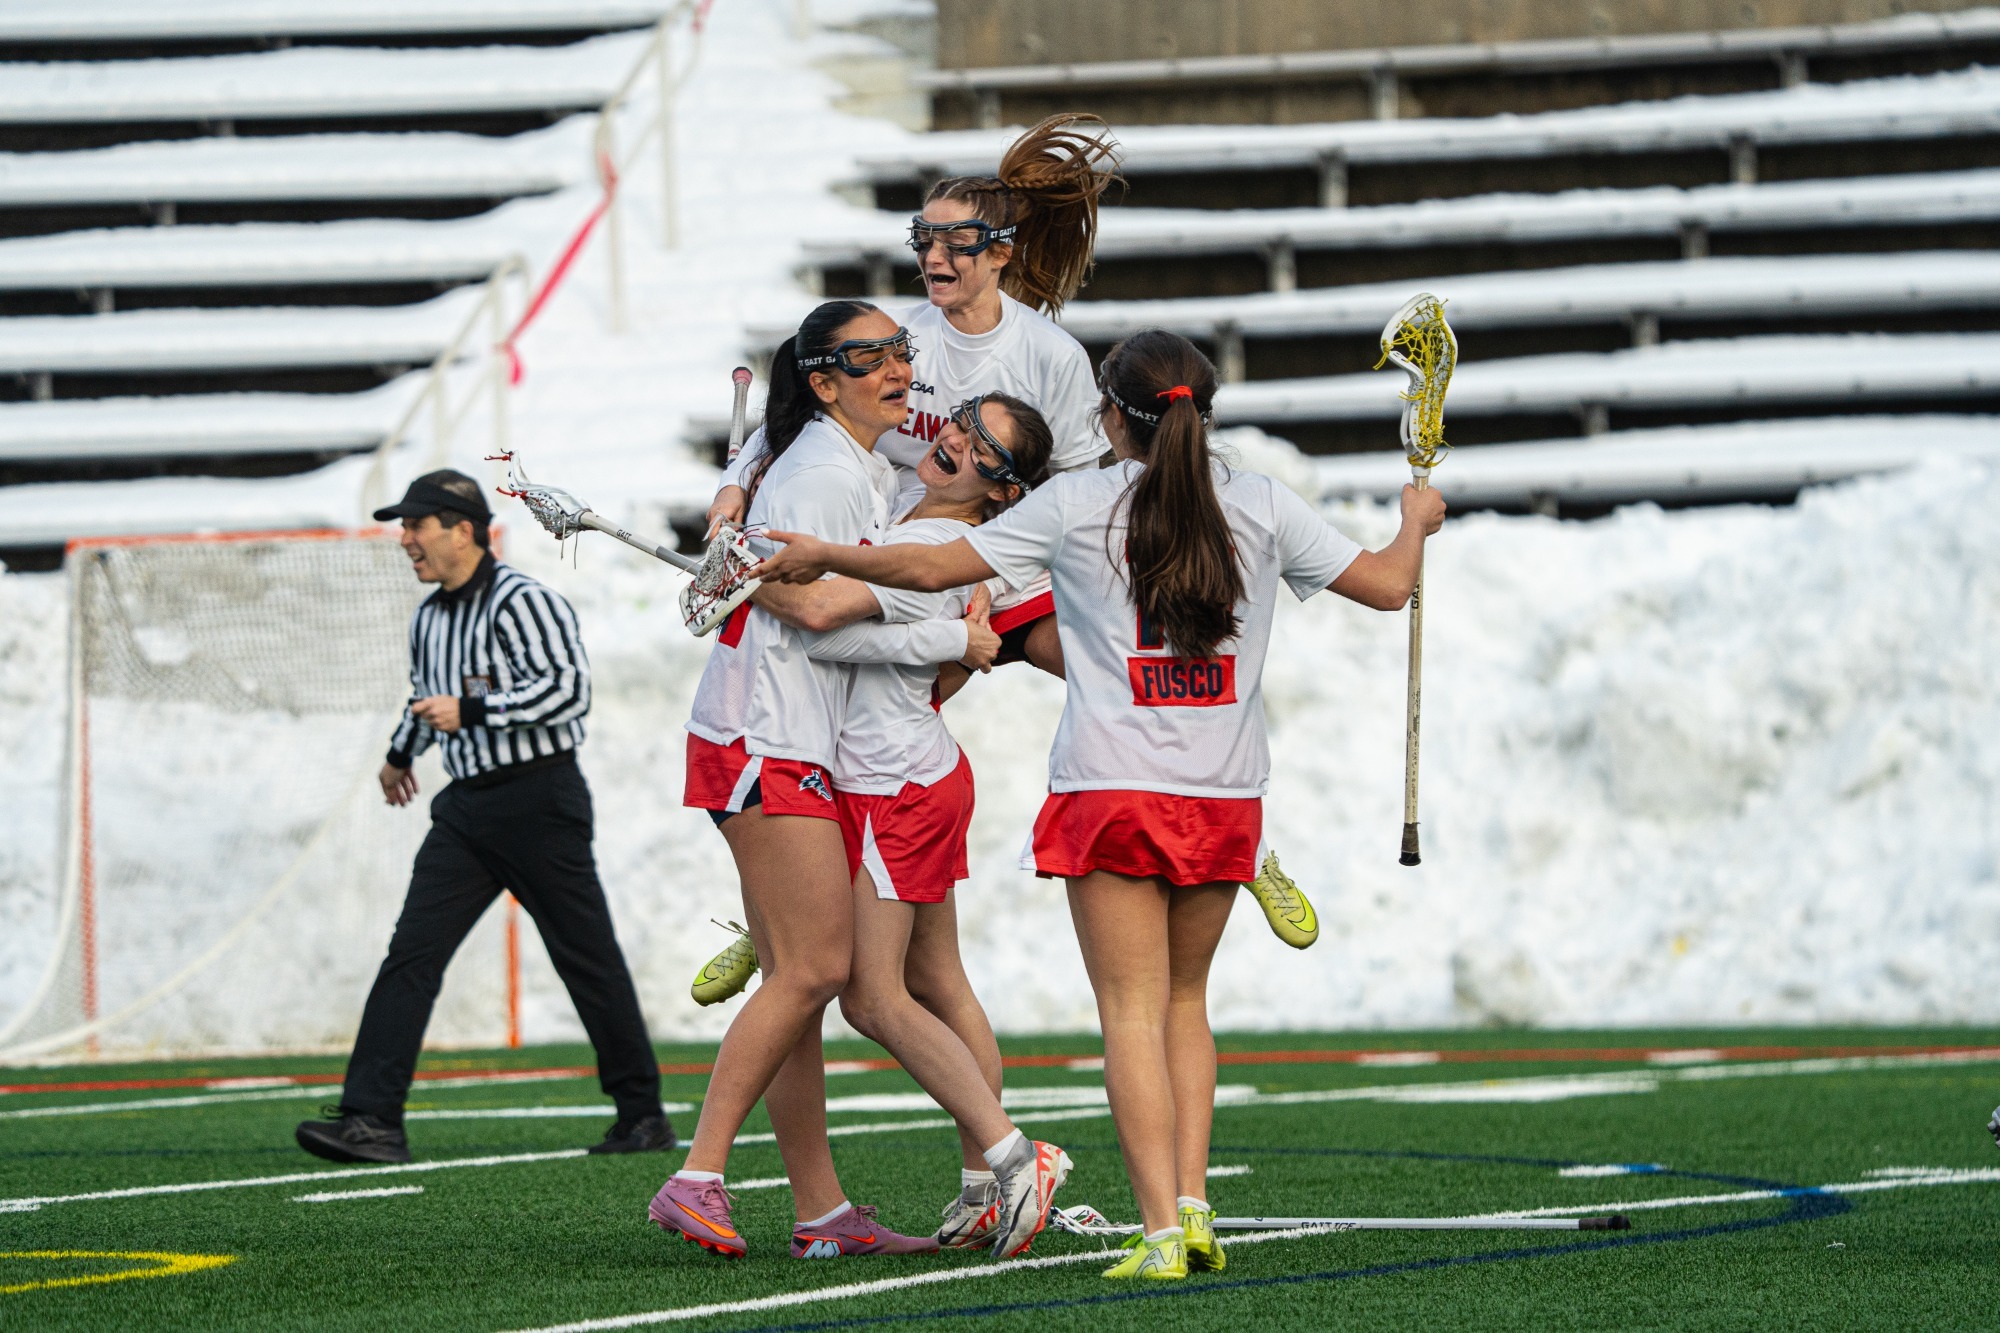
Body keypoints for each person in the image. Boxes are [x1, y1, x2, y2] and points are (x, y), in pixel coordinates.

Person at [753, 329, 1448, 1281]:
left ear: (1112, 418)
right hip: (1228, 793)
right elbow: (1389, 584)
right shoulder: (1260, 501)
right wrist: (1416, 518)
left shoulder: (1078, 502)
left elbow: (931, 569)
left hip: (1114, 787)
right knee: (1184, 1003)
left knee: (1128, 1013)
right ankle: (1195, 1212)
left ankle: (1160, 1232)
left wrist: (826, 553)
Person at [655, 300, 1064, 1262]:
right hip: (776, 740)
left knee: (830, 980)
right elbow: (810, 605)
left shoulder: (885, 492)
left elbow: (826, 598)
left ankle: (834, 1203)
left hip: (846, 761)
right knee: (826, 977)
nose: (900, 370)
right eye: (870, 355)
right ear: (823, 380)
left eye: (901, 351)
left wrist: (968, 636)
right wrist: (735, 489)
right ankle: (708, 1176)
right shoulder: (842, 475)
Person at [296, 470, 671, 1165]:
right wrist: (400, 753)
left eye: (415, 526)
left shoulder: (524, 601)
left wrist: (470, 712)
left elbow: (567, 691)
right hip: (467, 811)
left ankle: (642, 1112)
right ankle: (372, 1119)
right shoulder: (428, 617)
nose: (404, 539)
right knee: (412, 953)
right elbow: (425, 695)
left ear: (462, 529)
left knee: (585, 959)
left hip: (540, 800)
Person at [803, 394, 1068, 1252]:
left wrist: (752, 579)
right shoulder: (912, 520)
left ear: (1002, 491)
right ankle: (982, 1184)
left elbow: (821, 628)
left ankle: (1015, 1159)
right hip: (911, 772)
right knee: (940, 981)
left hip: (897, 785)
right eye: (963, 419)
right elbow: (944, 659)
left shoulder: (925, 548)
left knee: (873, 997)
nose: (956, 438)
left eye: (985, 447)